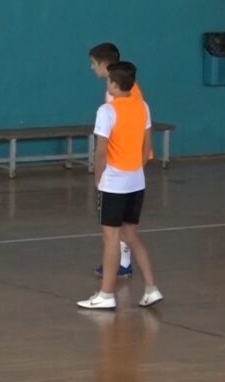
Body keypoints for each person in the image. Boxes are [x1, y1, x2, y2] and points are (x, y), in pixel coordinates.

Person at [77, 62, 162, 310]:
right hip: (137, 181)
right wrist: (138, 167)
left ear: (114, 84)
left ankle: (106, 294)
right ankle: (151, 288)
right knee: (131, 235)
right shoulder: (143, 106)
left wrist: (98, 178)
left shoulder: (107, 111)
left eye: (108, 82)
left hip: (114, 184)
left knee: (111, 237)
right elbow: (147, 144)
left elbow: (101, 151)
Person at [88, 42, 149, 278]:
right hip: (133, 162)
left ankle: (121, 265)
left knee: (116, 227)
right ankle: (132, 269)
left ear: (104, 65)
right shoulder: (132, 89)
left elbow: (113, 133)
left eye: (94, 64)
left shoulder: (114, 97)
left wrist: (100, 174)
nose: (93, 69)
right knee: (126, 226)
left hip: (121, 166)